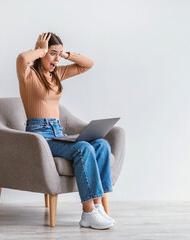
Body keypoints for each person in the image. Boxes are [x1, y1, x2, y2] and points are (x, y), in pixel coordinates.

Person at [16, 32, 115, 230]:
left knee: (102, 144)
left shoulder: (57, 75)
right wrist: (41, 50)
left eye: (58, 55)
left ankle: (98, 206)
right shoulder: (28, 74)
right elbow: (22, 58)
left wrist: (65, 53)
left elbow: (88, 64)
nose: (56, 59)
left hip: (58, 132)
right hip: (40, 135)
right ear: (41, 53)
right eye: (53, 54)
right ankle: (88, 213)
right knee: (83, 149)